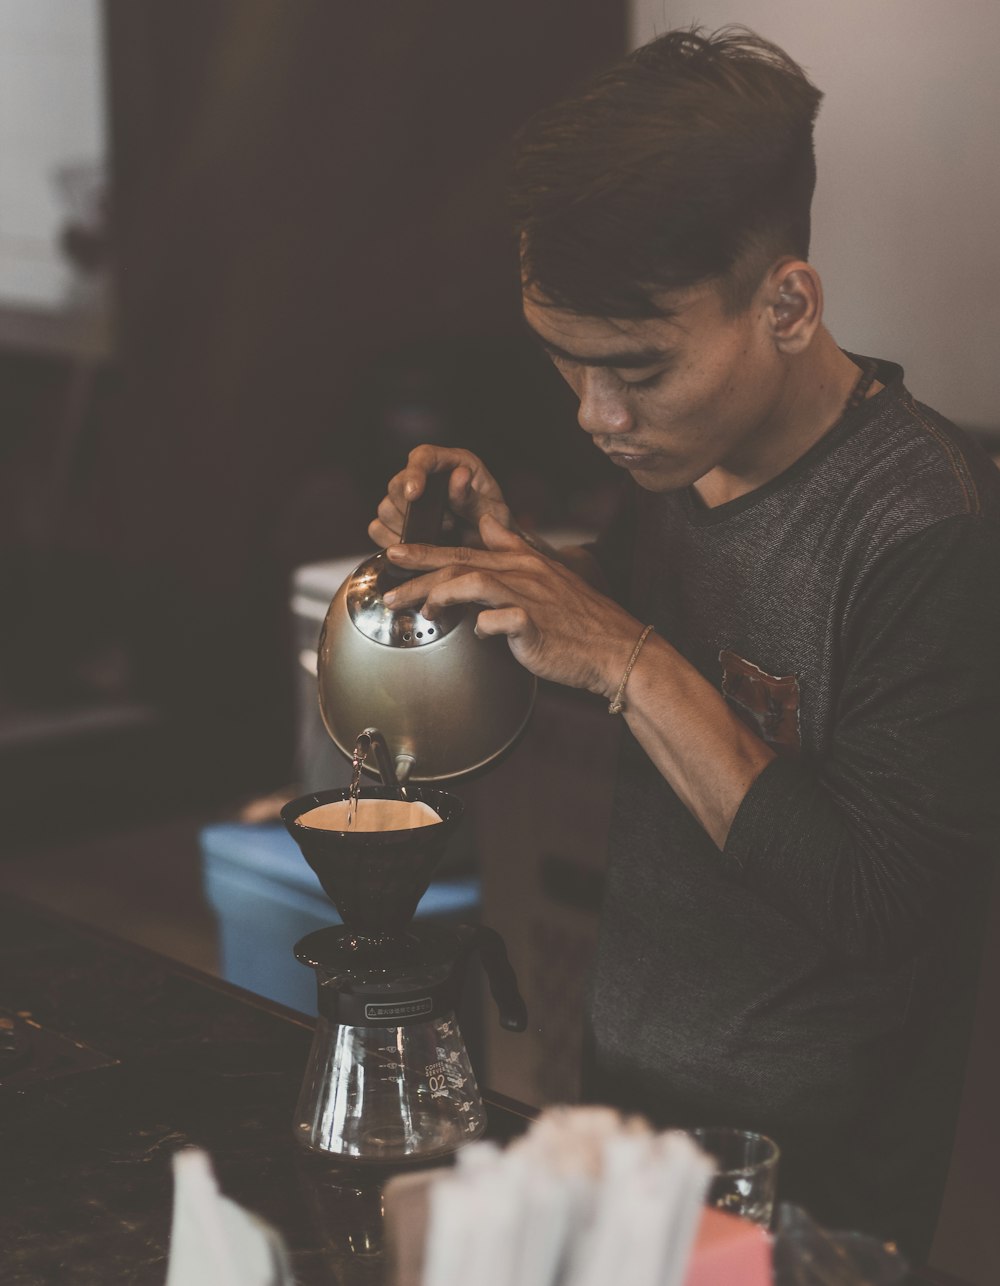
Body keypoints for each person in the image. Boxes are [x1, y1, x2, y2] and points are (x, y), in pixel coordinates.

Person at [367, 27, 1000, 1261]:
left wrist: (624, 656)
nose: (600, 418)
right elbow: (675, 641)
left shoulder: (925, 524)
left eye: (638, 371)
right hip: (631, 1097)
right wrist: (518, 563)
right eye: (567, 368)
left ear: (787, 301)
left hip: (817, 1177)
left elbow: (881, 902)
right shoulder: (680, 455)